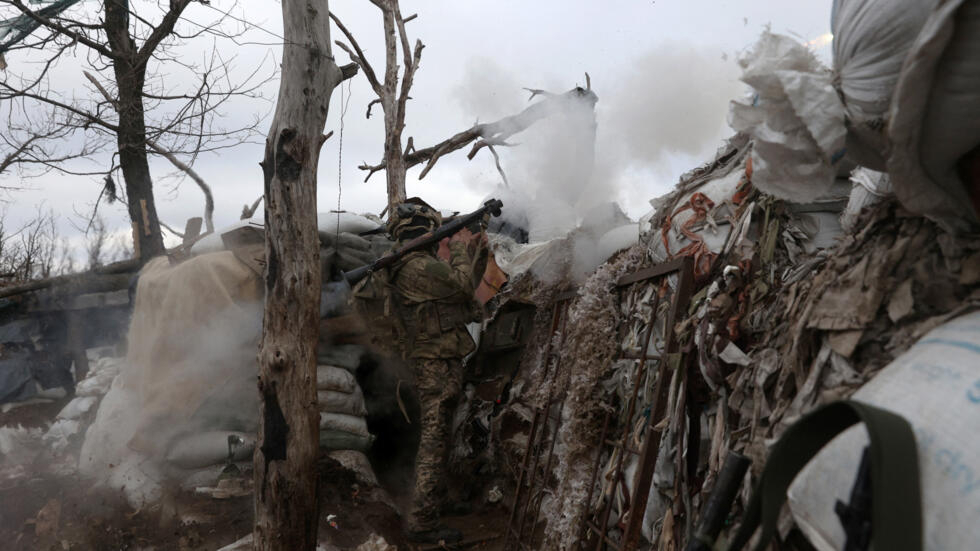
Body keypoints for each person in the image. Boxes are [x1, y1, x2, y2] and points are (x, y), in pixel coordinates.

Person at [386, 198, 484, 544]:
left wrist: (471, 248)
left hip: (438, 359)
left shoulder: (413, 264)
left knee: (439, 435)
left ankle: (435, 501)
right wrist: (457, 248)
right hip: (434, 362)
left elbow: (459, 296)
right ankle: (423, 521)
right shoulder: (416, 266)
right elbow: (460, 285)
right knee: (434, 438)